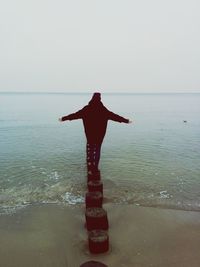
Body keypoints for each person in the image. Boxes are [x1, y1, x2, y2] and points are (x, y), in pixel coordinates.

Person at [59, 92, 132, 175]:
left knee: (90, 148)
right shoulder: (103, 110)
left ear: (92, 98)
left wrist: (63, 118)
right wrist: (126, 121)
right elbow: (115, 117)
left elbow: (74, 115)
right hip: (100, 135)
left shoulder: (86, 109)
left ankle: (90, 166)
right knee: (97, 149)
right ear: (100, 99)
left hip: (89, 134)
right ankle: (95, 168)